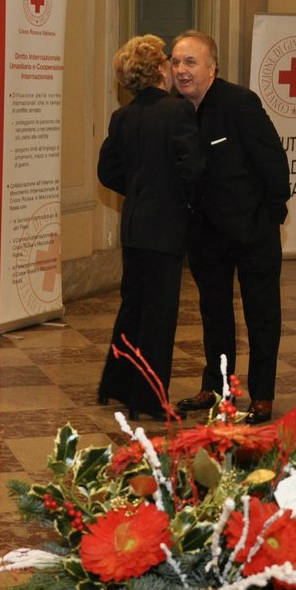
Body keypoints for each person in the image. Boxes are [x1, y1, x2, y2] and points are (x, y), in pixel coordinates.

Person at [168, 30, 290, 425]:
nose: (181, 70)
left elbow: (272, 162)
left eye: (190, 62)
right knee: (214, 313)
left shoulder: (239, 103)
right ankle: (217, 388)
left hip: (253, 232)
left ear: (211, 68)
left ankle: (263, 395)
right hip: (205, 235)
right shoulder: (175, 111)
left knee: (262, 315)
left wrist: (271, 215)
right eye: (175, 62)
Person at [96, 35, 204, 420]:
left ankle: (121, 386)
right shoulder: (176, 112)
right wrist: (180, 198)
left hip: (135, 226)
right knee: (159, 316)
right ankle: (151, 399)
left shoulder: (122, 117)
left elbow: (107, 170)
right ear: (159, 70)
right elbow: (193, 168)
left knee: (133, 308)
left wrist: (139, 189)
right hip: (165, 228)